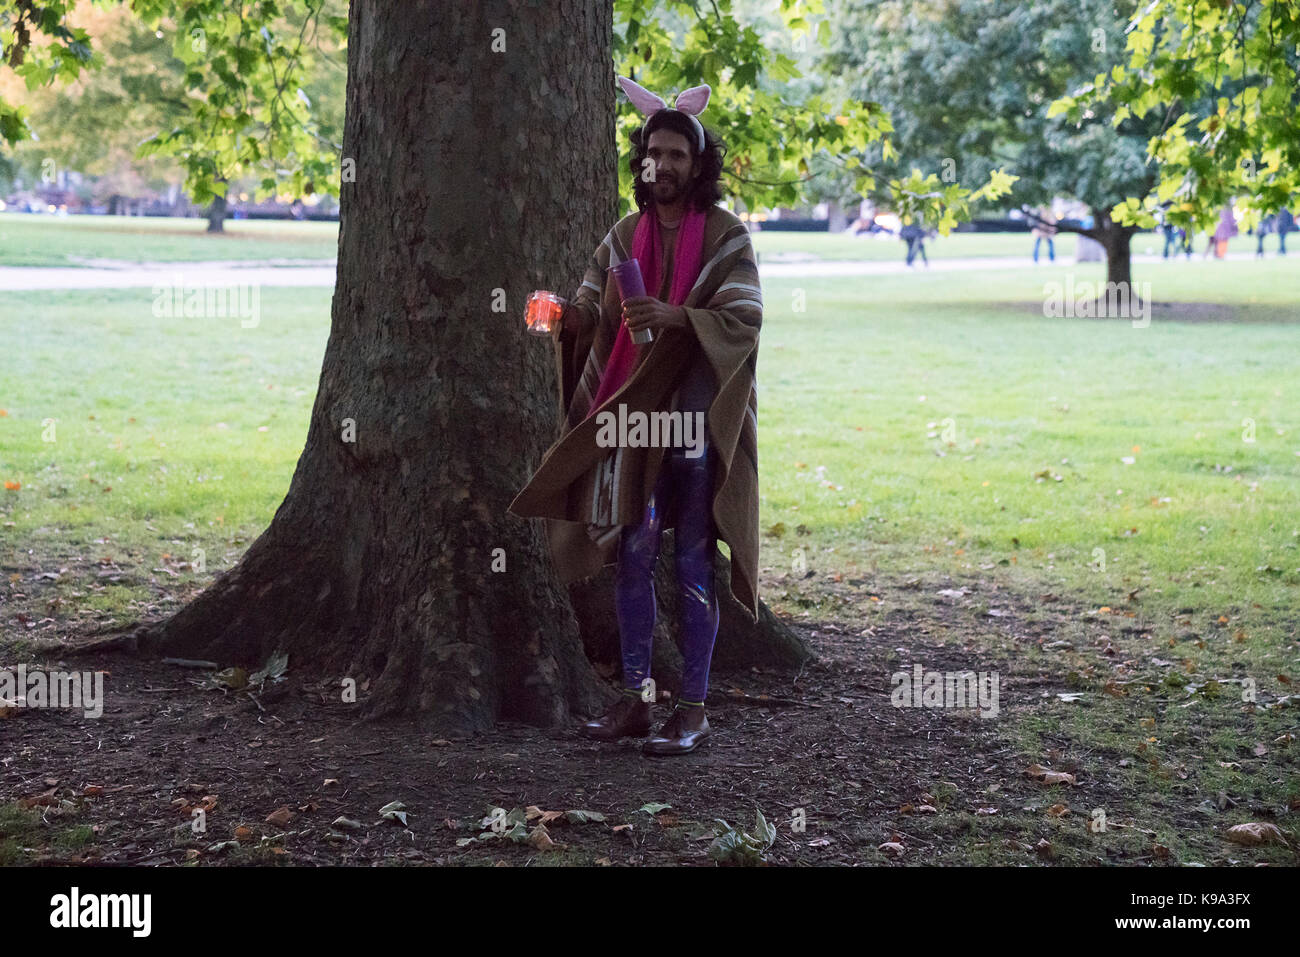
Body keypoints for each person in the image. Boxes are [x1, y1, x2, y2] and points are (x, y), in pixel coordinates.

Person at [509, 75, 763, 756]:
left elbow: (745, 318)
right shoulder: (623, 237)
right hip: (631, 419)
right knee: (634, 548)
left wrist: (677, 317)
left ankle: (695, 709)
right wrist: (563, 318)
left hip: (695, 421)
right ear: (643, 163)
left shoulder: (728, 236)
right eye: (656, 153)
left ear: (698, 163)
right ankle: (637, 701)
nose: (666, 164)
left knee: (690, 556)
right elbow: (594, 310)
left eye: (679, 153)